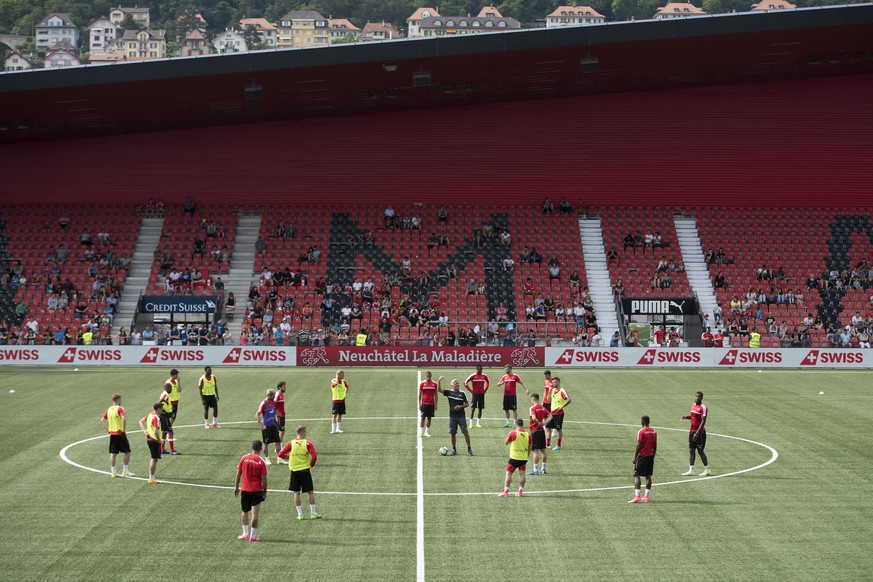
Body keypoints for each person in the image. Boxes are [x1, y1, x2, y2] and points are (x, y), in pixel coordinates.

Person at [277, 425, 321, 520]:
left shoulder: (291, 443)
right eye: (305, 432)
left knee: (296, 492)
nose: (306, 433)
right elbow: (314, 457)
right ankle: (313, 513)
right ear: (301, 432)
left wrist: (291, 457)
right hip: (305, 470)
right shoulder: (308, 443)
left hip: (294, 470)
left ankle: (300, 514)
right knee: (310, 491)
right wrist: (311, 465)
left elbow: (280, 454)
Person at [234, 440, 268, 542]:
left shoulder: (244, 458)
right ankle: (253, 536)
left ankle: (245, 534)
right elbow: (264, 479)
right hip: (256, 490)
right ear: (261, 448)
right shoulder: (261, 461)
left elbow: (238, 474)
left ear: (252, 447)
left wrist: (236, 487)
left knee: (244, 511)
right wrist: (265, 491)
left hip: (245, 489)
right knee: (255, 514)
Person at [437, 376, 473, 456]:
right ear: (452, 385)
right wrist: (439, 381)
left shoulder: (462, 393)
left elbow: (467, 404)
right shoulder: (449, 392)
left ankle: (469, 448)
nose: (457, 384)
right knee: (453, 433)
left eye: (458, 383)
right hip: (452, 417)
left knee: (465, 433)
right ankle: (454, 449)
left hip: (461, 417)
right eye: (455, 383)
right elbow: (439, 390)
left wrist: (460, 407)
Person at [100, 393, 132, 478]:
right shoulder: (120, 408)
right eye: (120, 399)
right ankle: (125, 471)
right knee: (127, 452)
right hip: (120, 433)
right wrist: (123, 430)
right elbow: (123, 419)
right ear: (117, 400)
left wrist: (108, 431)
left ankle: (113, 472)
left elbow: (102, 421)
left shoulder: (109, 409)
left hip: (112, 434)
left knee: (113, 453)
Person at [681, 391, 711, 476]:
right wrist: (686, 417)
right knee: (691, 450)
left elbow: (703, 421)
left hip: (700, 433)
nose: (697, 398)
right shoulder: (693, 405)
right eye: (696, 396)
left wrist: (697, 433)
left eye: (699, 397)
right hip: (691, 431)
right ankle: (691, 470)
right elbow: (693, 417)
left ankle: (707, 470)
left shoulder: (703, 407)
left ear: (702, 398)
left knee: (700, 451)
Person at [629, 415, 657, 503]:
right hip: (650, 455)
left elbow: (639, 445)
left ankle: (637, 496)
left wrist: (635, 457)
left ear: (642, 422)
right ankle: (646, 496)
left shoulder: (641, 431)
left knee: (636, 475)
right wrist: (653, 455)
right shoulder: (653, 431)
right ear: (649, 422)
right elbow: (655, 446)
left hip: (642, 456)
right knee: (648, 476)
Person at [500, 419, 530, 497]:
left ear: (516, 425)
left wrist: (509, 435)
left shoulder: (513, 433)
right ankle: (520, 491)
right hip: (523, 458)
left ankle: (506, 491)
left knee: (508, 474)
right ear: (522, 425)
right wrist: (527, 455)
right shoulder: (527, 434)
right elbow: (530, 446)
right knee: (522, 474)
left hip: (514, 458)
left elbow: (506, 443)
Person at [138, 403, 164, 484]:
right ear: (159, 408)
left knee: (154, 458)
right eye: (162, 408)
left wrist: (144, 431)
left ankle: (151, 477)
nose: (163, 409)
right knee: (154, 459)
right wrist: (160, 440)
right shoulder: (156, 418)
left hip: (149, 438)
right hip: (154, 440)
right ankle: (151, 478)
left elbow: (141, 421)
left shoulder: (150, 415)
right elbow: (156, 431)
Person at [528, 393, 552, 475]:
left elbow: (534, 418)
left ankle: (535, 469)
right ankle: (543, 468)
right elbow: (550, 416)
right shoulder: (542, 407)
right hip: (542, 430)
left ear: (533, 399)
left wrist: (538, 423)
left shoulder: (532, 408)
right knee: (543, 450)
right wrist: (544, 423)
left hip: (535, 430)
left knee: (535, 450)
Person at [257, 389, 283, 465]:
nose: (274, 397)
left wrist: (279, 415)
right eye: (273, 396)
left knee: (278, 441)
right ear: (269, 395)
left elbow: (275, 410)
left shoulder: (273, 403)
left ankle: (279, 458)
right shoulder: (263, 403)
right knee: (266, 443)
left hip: (273, 425)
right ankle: (267, 459)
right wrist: (261, 425)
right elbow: (257, 415)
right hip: (266, 427)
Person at [546, 377, 571, 450]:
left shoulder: (562, 390)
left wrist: (561, 407)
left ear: (558, 382)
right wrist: (549, 392)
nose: (553, 384)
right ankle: (547, 444)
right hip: (552, 413)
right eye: (553, 382)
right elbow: (548, 400)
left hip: (559, 413)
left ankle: (558, 445)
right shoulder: (553, 390)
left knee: (558, 429)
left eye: (555, 382)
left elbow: (569, 400)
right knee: (548, 427)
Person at [158, 382, 179, 455]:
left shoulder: (164, 393)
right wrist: (160, 410)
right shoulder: (165, 395)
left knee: (164, 432)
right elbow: (160, 402)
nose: (171, 388)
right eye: (170, 387)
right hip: (165, 416)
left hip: (164, 415)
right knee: (170, 432)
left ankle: (162, 449)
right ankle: (172, 450)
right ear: (166, 388)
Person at [418, 371, 438, 437]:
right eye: (427, 376)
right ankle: (421, 432)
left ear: (431, 376)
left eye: (430, 376)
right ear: (425, 376)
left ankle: (426, 432)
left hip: (431, 404)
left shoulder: (434, 384)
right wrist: (419, 403)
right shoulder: (422, 384)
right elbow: (420, 394)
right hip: (424, 403)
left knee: (429, 418)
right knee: (423, 417)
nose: (429, 377)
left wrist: (436, 404)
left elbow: (436, 395)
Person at [330, 370, 349, 434]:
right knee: (334, 415)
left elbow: (347, 387)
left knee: (340, 415)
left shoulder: (344, 381)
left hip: (342, 400)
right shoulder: (334, 381)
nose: (343, 376)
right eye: (342, 375)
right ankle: (333, 429)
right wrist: (336, 377)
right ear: (338, 375)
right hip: (335, 400)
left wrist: (345, 394)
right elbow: (335, 384)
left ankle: (338, 429)